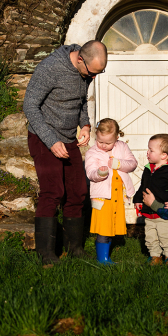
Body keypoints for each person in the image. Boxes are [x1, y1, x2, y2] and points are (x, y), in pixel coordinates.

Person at [23, 40, 107, 266]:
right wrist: (51, 141)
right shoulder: (50, 68)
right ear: (80, 59)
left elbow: (80, 103)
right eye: (93, 72)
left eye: (100, 72)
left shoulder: (86, 72)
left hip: (69, 138)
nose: (94, 78)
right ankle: (47, 254)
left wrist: (86, 125)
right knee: (53, 191)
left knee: (78, 191)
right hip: (43, 137)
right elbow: (30, 105)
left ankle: (75, 249)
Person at [84, 118, 138, 264]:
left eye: (108, 143)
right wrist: (99, 174)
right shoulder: (92, 153)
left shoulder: (122, 147)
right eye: (100, 141)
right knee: (104, 228)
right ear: (96, 135)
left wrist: (119, 164)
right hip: (102, 197)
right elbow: (90, 173)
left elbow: (133, 164)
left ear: (117, 137)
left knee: (112, 226)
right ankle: (103, 259)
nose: (103, 145)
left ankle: (105, 255)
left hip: (117, 196)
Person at [136, 134, 168, 265]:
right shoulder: (148, 169)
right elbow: (143, 185)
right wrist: (137, 198)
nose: (147, 153)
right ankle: (155, 256)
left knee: (165, 235)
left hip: (163, 213)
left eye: (151, 150)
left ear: (164, 155)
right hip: (148, 212)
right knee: (150, 236)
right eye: (148, 149)